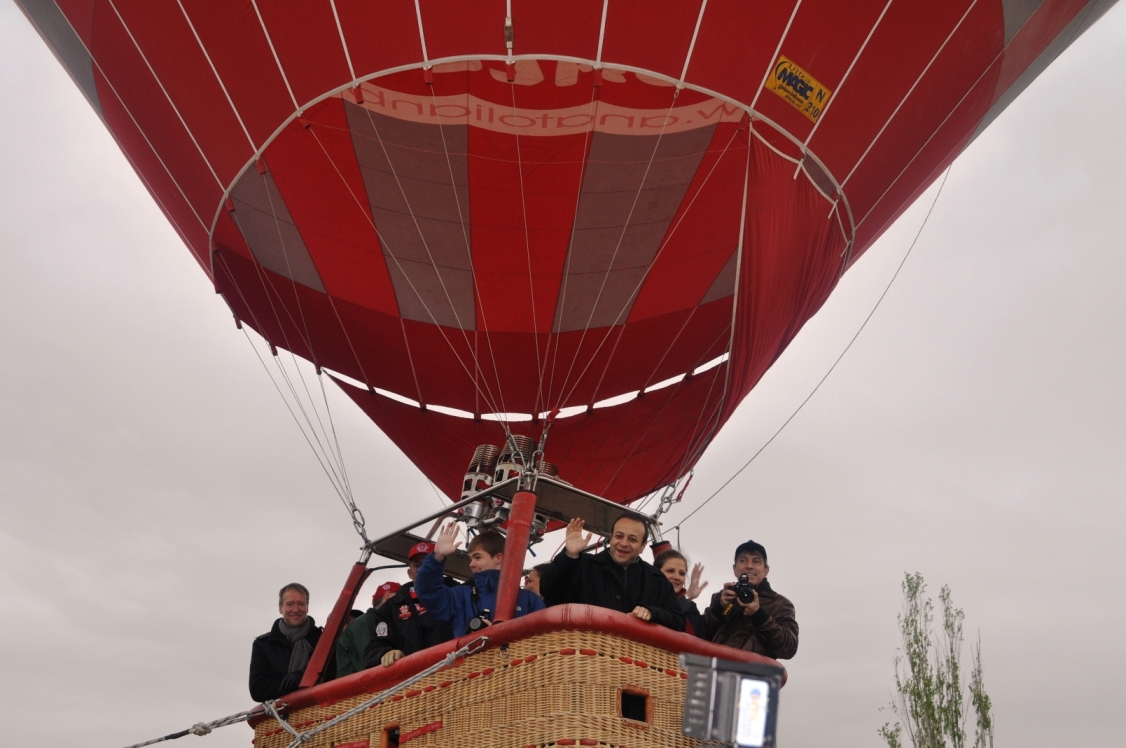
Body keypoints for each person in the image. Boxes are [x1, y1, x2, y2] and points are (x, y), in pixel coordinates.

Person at [539, 516, 685, 631]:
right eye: (619, 536)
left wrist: (652, 613)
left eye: (632, 539)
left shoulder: (656, 579)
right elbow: (550, 591)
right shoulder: (581, 564)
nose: (623, 543)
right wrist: (569, 556)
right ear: (611, 537)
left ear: (642, 546)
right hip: (583, 657)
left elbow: (678, 622)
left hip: (634, 663)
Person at [414, 525, 545, 636]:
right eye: (471, 558)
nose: (471, 564)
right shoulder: (462, 597)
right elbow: (428, 592)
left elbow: (544, 636)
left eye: (477, 557)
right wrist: (437, 557)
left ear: (498, 558)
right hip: (473, 665)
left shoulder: (529, 600)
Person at [364, 542, 457, 669]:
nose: (423, 569)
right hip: (420, 679)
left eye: (428, 563)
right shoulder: (390, 608)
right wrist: (386, 653)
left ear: (439, 567)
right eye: (418, 566)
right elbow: (376, 646)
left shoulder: (458, 591)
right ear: (410, 573)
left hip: (461, 669)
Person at [704, 540, 798, 660]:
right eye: (743, 560)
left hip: (754, 675)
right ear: (734, 569)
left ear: (766, 570)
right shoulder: (722, 597)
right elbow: (699, 634)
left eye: (756, 561)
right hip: (717, 672)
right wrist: (719, 609)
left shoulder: (780, 604)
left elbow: (788, 649)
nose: (749, 566)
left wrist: (759, 615)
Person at [249, 583, 326, 702]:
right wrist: (290, 684)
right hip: (281, 718)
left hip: (321, 713)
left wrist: (299, 676)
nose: (296, 610)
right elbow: (257, 689)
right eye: (290, 604)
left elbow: (332, 673)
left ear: (307, 607)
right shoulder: (263, 645)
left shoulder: (324, 640)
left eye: (301, 604)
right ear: (280, 608)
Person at [334, 581, 401, 678]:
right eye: (399, 597)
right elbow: (370, 665)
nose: (404, 601)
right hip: (366, 689)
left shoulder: (377, 621)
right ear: (388, 596)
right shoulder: (363, 624)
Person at [655, 549, 709, 638]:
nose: (677, 577)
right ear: (656, 572)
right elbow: (665, 615)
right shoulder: (647, 596)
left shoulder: (691, 608)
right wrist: (687, 597)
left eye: (682, 573)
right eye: (670, 571)